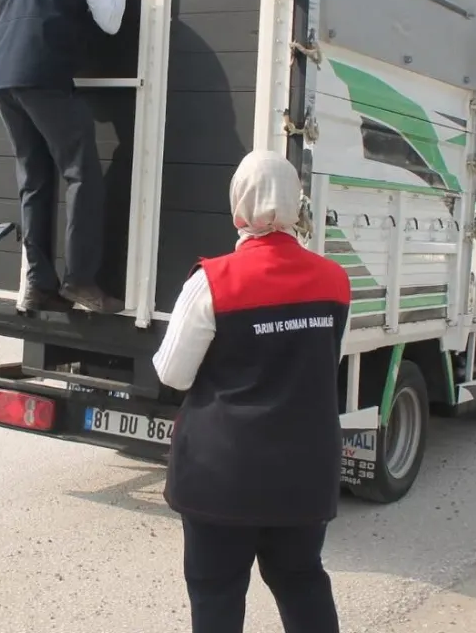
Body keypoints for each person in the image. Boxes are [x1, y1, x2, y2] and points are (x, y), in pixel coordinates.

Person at [152, 150, 353, 633]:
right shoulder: (335, 280)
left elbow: (173, 374)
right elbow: (324, 361)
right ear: (295, 206)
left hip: (221, 477)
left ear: (238, 208)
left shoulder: (212, 282)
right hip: (304, 475)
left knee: (217, 593)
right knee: (302, 579)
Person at [0, 0, 136, 314]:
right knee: (82, 174)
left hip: (4, 81)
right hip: (45, 76)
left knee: (34, 181)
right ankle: (81, 282)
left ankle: (38, 284)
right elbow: (109, 20)